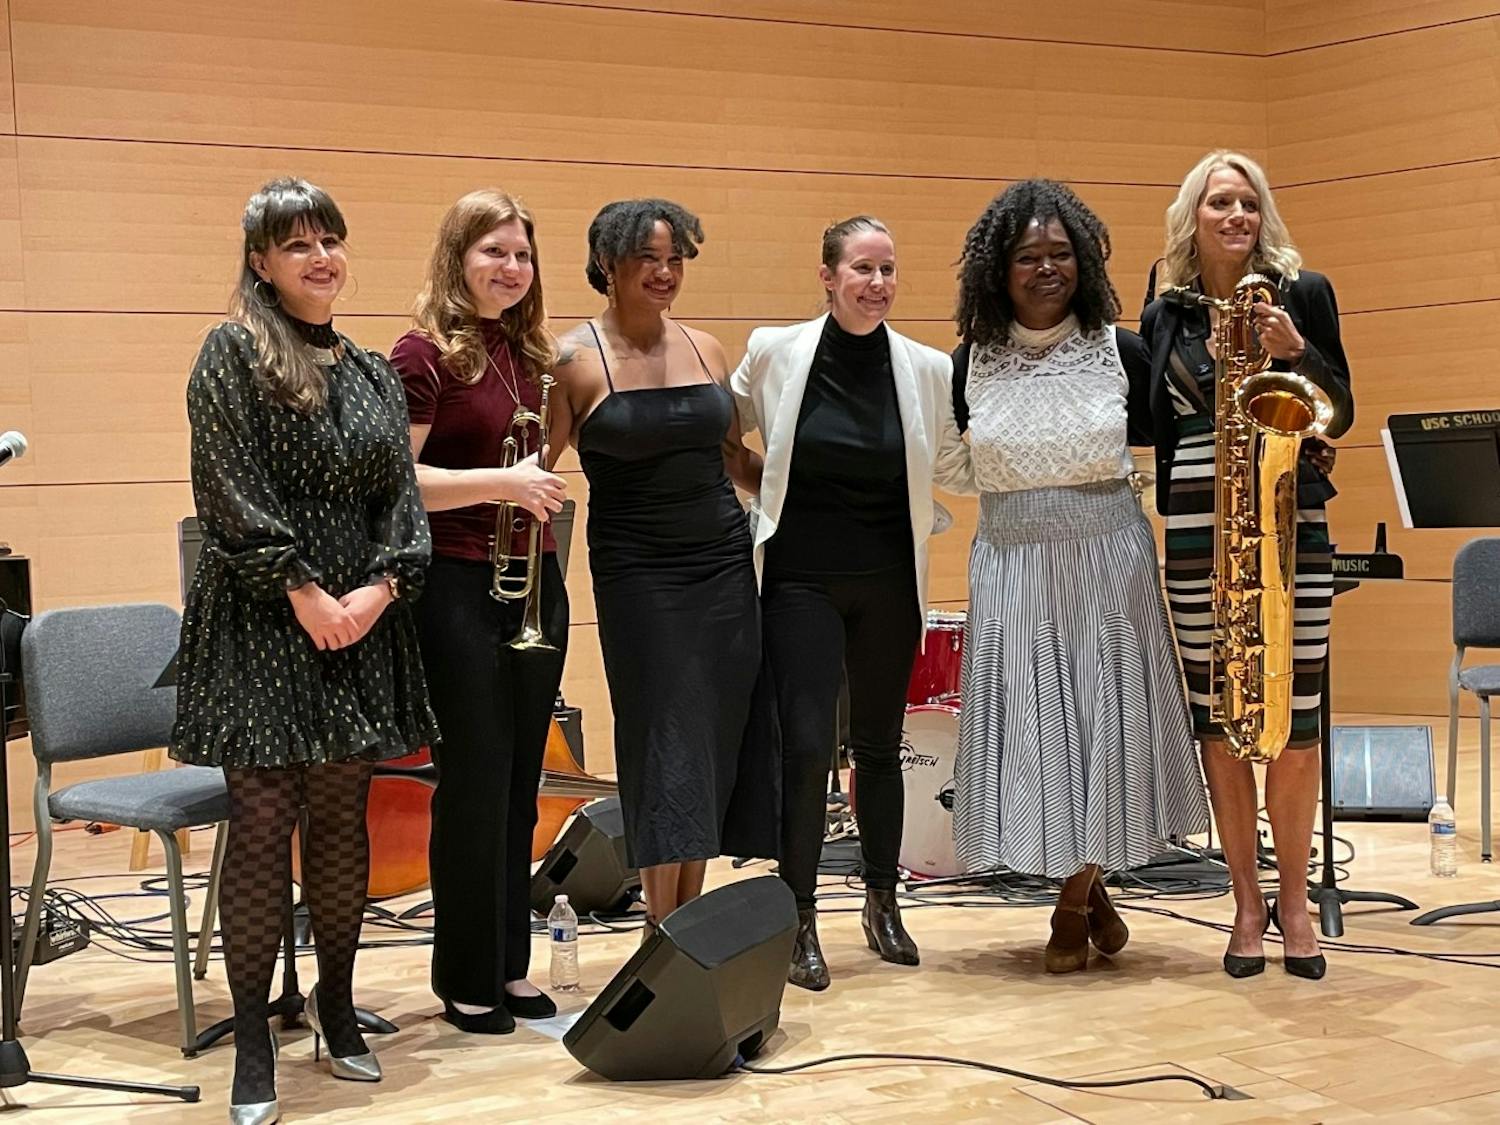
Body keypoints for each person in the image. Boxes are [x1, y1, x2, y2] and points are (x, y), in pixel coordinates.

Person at [171, 178, 438, 1125]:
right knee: (259, 829)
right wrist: (305, 591)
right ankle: (251, 1041)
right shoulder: (232, 352)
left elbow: (400, 502)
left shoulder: (370, 370)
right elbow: (229, 489)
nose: (320, 258)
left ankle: (334, 1006)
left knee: (340, 821)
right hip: (262, 619)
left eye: (331, 239)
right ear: (260, 261)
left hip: (357, 622)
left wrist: (375, 590)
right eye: (296, 245)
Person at [949, 179, 1208, 974]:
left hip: (1108, 558)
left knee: (1102, 727)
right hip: (1012, 559)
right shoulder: (969, 361)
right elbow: (952, 464)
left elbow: (1179, 447)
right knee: (1038, 737)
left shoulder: (1122, 348)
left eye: (1061, 253)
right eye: (1029, 256)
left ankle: (1070, 904)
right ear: (1000, 269)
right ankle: (1089, 891)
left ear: (1085, 262)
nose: (1047, 268)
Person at [731, 216, 972, 991]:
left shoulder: (929, 368)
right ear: (828, 276)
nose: (877, 284)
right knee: (805, 748)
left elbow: (962, 463)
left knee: (879, 747)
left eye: (889, 270)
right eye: (862, 269)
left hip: (889, 579)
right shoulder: (775, 351)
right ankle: (797, 914)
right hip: (799, 576)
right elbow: (721, 428)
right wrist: (753, 491)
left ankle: (881, 901)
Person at [1142, 150, 1354, 980]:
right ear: (1193, 217)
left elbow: (1341, 403)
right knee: (1220, 721)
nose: (1236, 215)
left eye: (1249, 203)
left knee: (1294, 721)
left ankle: (1295, 899)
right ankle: (1244, 902)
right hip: (1198, 528)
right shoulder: (1165, 312)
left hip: (1290, 520)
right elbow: (1157, 423)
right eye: (1219, 202)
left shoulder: (1303, 293)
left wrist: (1295, 350)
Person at [550, 198, 777, 935]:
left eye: (675, 257)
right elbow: (534, 469)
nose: (665, 271)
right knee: (660, 736)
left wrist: (807, 486)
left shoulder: (708, 347)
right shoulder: (572, 359)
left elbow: (734, 459)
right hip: (638, 573)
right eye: (648, 257)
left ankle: (690, 920)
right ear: (607, 263)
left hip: (721, 563)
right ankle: (660, 926)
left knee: (710, 736)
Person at [389, 189, 569, 1035]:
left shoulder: (530, 354)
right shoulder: (422, 355)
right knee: (474, 783)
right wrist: (505, 484)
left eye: (522, 255)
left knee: (522, 788)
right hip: (456, 588)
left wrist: (532, 494)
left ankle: (508, 963)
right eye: (493, 251)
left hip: (533, 583)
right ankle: (464, 975)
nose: (510, 267)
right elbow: (396, 483)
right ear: (458, 256)